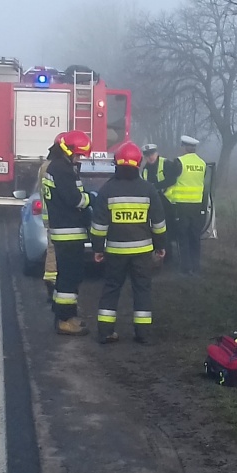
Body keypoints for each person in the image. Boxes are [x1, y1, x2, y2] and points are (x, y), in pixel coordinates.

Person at [90, 141, 167, 344]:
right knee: (142, 289)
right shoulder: (148, 189)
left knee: (111, 289)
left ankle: (105, 332)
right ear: (138, 163)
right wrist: (160, 246)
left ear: (116, 162)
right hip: (142, 252)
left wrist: (98, 248)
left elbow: (98, 224)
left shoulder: (107, 190)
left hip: (115, 251)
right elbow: (158, 223)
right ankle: (143, 334)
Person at [42, 130, 95, 336]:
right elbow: (76, 200)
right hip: (69, 232)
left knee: (65, 276)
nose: (79, 158)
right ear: (68, 150)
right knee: (70, 278)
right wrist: (91, 198)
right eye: (78, 154)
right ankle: (65, 320)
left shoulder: (56, 167)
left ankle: (62, 314)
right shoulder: (62, 170)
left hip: (63, 231)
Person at [155, 135, 206, 276]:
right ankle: (196, 266)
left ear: (184, 147)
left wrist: (156, 187)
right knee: (195, 237)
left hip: (181, 206)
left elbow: (171, 181)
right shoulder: (202, 163)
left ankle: (186, 268)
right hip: (197, 205)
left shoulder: (179, 162)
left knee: (182, 237)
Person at [37, 132, 66, 301]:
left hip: (48, 215)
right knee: (58, 250)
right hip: (58, 216)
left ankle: (50, 279)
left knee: (52, 248)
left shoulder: (44, 166)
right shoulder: (55, 167)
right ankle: (55, 284)